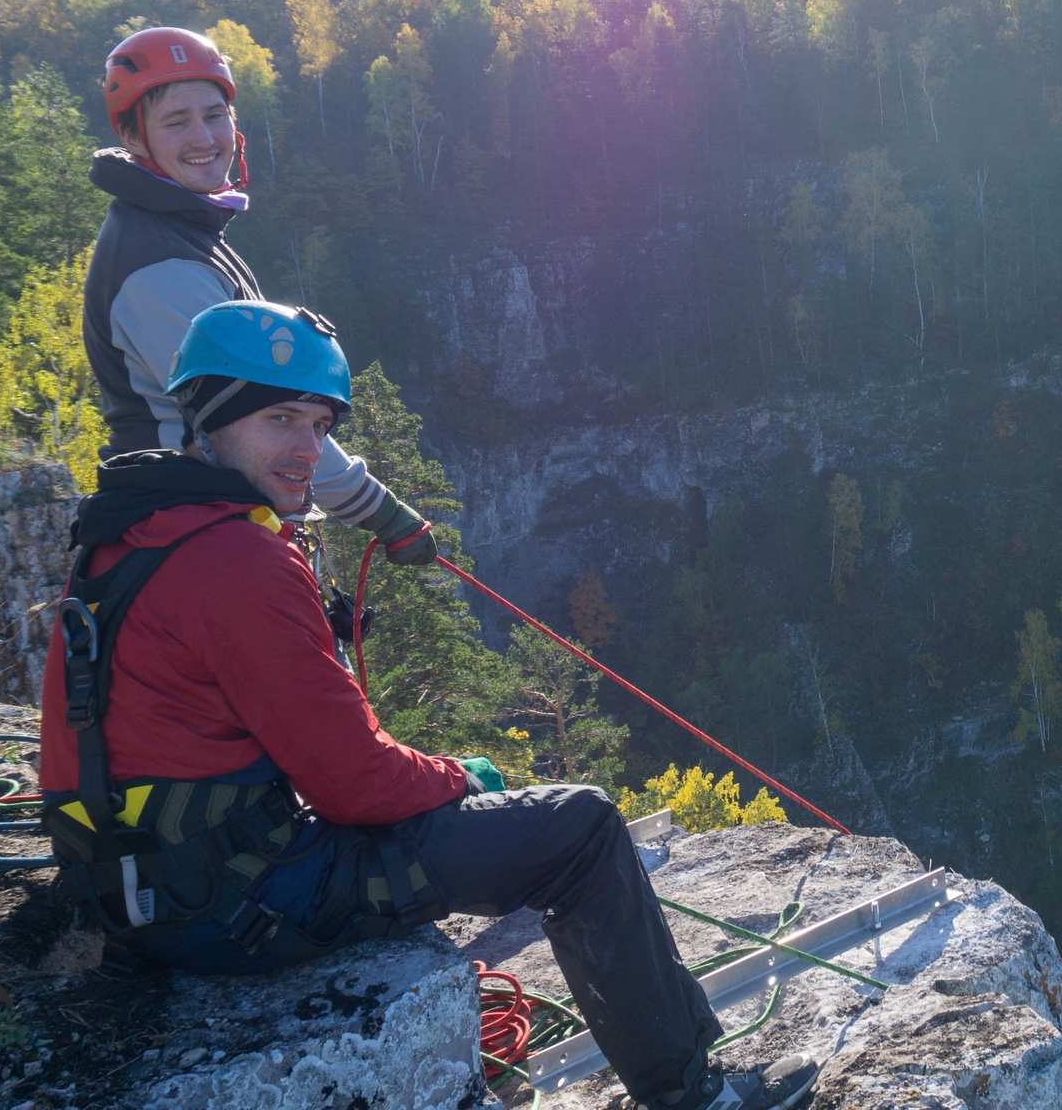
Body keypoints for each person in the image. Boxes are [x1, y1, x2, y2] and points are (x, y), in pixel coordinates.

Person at [40, 300, 813, 1110]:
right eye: (278, 420)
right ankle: (696, 1099)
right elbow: (357, 786)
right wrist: (458, 779)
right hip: (235, 905)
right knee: (579, 829)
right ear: (209, 420)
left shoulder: (132, 528)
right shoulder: (238, 558)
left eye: (319, 425)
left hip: (136, 886)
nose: (306, 451)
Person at [84, 26, 435, 566]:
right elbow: (262, 417)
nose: (204, 137)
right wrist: (379, 511)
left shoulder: (180, 234)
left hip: (208, 519)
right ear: (134, 139)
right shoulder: (160, 267)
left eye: (214, 115)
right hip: (193, 534)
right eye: (176, 122)